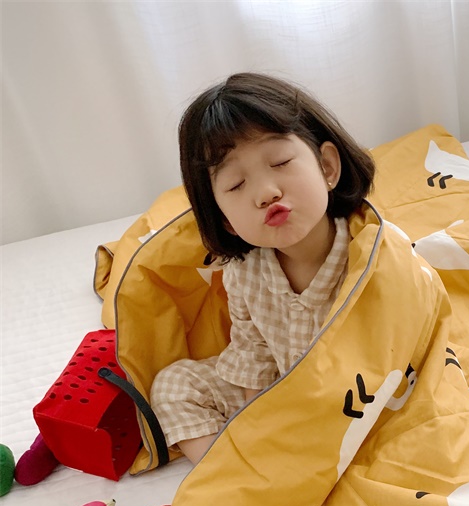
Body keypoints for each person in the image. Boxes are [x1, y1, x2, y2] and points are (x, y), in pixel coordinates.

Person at [150, 73, 375, 465]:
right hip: (283, 391)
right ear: (225, 220)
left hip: (359, 396)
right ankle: (230, 473)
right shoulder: (244, 271)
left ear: (327, 167)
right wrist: (261, 423)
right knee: (174, 384)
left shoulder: (371, 252)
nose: (266, 193)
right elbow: (253, 350)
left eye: (281, 162)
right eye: (236, 185)